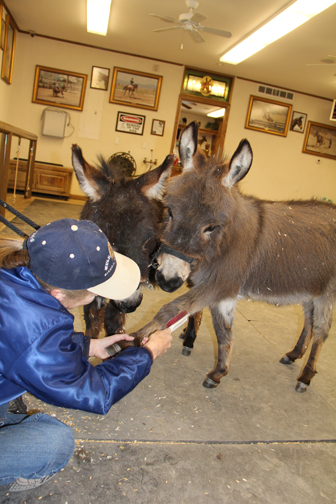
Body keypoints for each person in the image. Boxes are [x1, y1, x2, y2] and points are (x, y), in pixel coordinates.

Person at [0, 218, 172, 492]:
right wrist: (148, 354)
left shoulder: (14, 276)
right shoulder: (38, 328)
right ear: (58, 295)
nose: (97, 297)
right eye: (96, 292)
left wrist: (86, 346)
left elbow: (17, 340)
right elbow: (95, 392)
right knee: (54, 441)